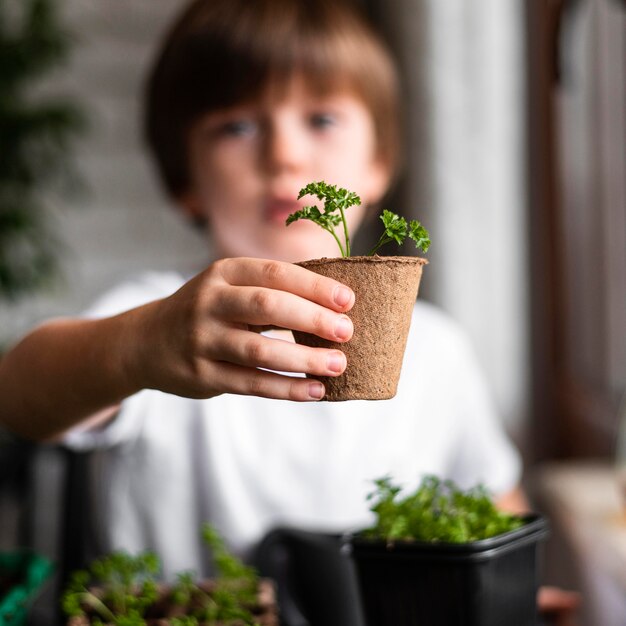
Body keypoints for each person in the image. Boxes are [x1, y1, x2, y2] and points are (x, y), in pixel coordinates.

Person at [0, 0, 578, 622]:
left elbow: (496, 501)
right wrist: (139, 346)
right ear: (184, 178)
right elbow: (19, 395)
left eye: (322, 119)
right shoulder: (159, 318)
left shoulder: (436, 350)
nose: (284, 156)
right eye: (237, 127)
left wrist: (511, 588)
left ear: (378, 162)